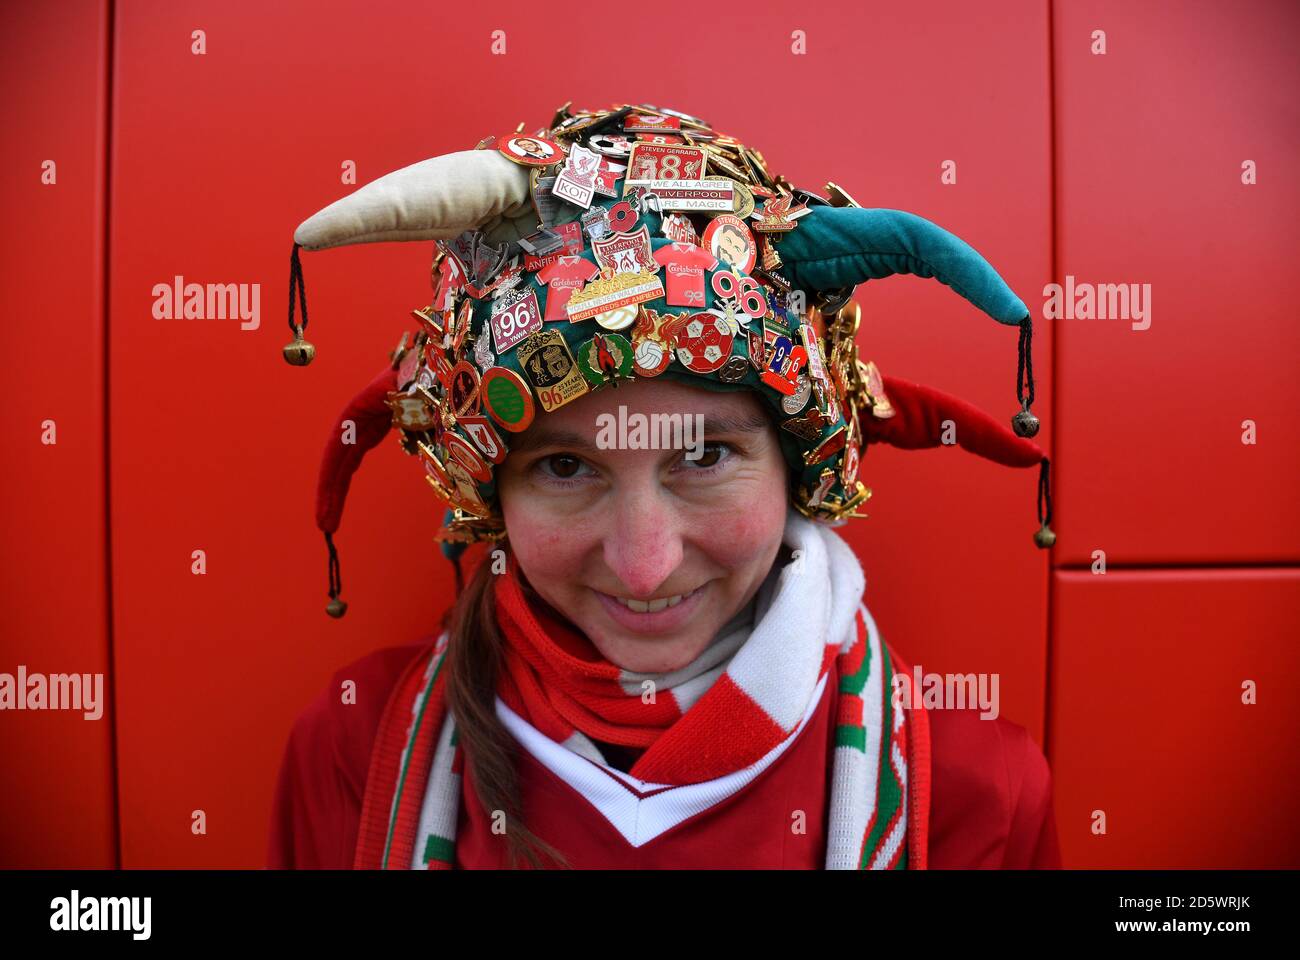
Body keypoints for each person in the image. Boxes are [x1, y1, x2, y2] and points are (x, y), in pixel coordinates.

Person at [269, 103, 1061, 870]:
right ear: (491, 494)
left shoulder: (974, 795)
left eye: (706, 456)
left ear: (798, 467)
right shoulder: (353, 749)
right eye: (566, 467)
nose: (645, 565)